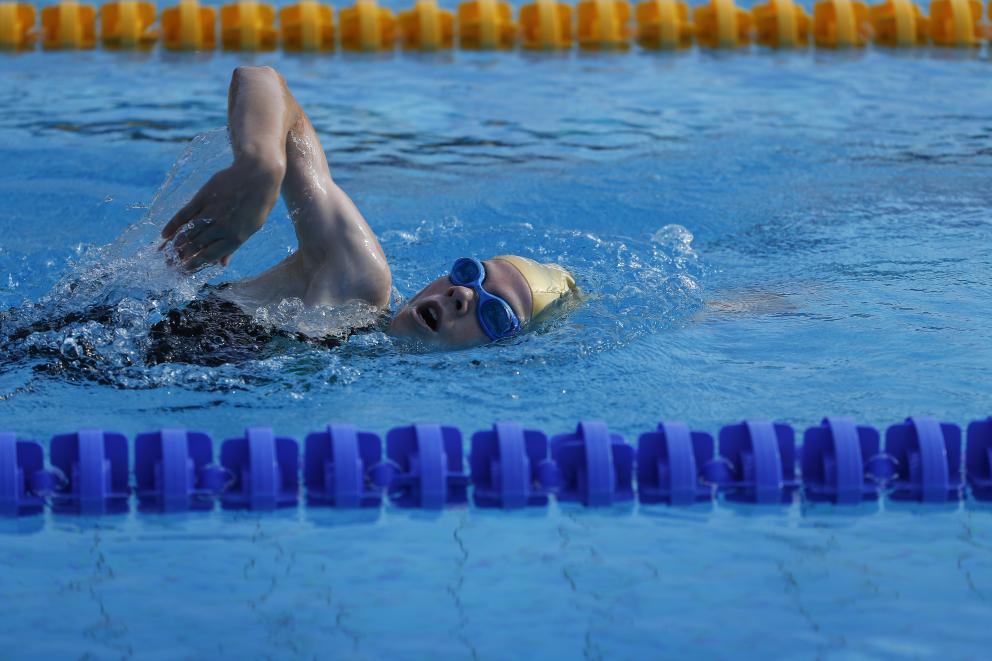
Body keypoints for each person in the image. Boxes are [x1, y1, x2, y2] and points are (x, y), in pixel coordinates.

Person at [159, 66, 577, 353]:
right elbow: (260, 79)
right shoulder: (355, 282)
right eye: (472, 273)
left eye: (496, 314)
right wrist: (261, 165)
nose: (462, 294)